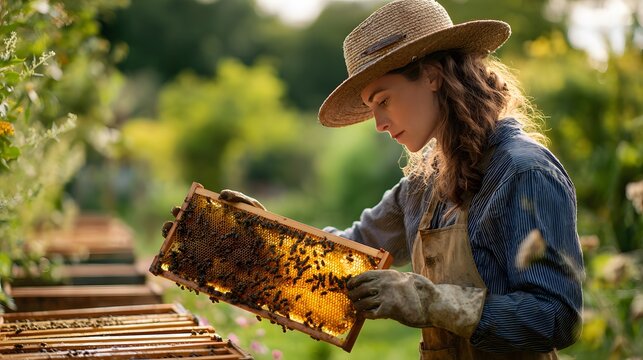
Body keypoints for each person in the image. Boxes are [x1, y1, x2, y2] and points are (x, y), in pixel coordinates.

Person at [164, 0, 584, 358]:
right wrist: (252, 244)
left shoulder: (524, 172)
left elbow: (558, 317)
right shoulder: (424, 183)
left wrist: (432, 302)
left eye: (383, 100)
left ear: (433, 75)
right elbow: (348, 255)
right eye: (371, 107)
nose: (379, 124)